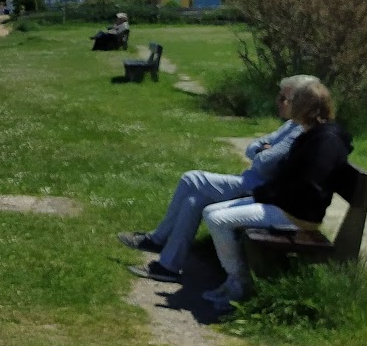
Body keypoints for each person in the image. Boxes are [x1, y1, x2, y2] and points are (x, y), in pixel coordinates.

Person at [117, 75, 317, 279]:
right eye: (280, 97)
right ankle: (168, 267)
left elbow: (264, 162)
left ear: (301, 102)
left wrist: (265, 151)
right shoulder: (291, 125)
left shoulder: (299, 131)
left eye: (285, 99)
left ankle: (157, 240)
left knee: (190, 178)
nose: (279, 102)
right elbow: (253, 148)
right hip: (254, 181)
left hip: (259, 188)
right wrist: (264, 150)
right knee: (193, 200)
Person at [199, 79, 352, 312]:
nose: (289, 106)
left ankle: (241, 284)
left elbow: (306, 187)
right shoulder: (314, 134)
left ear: (304, 107)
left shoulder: (324, 141)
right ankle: (234, 280)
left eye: (294, 102)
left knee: (217, 219)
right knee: (211, 211)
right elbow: (289, 178)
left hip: (296, 215)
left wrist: (267, 194)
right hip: (286, 204)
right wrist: (266, 192)